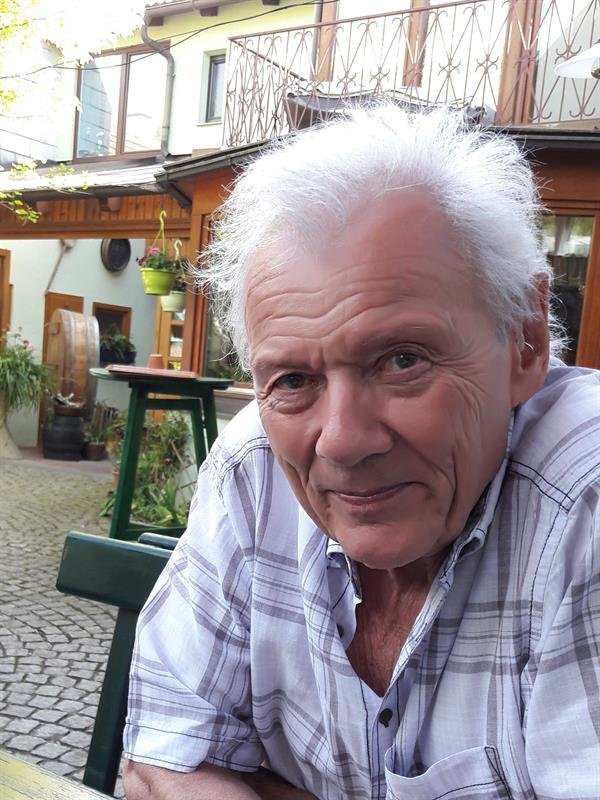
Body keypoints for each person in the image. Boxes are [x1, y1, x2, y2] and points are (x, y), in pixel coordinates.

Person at [122, 106, 600, 800]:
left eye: (402, 359)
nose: (342, 440)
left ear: (523, 342)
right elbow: (165, 757)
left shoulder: (585, 499)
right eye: (294, 380)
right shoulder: (254, 468)